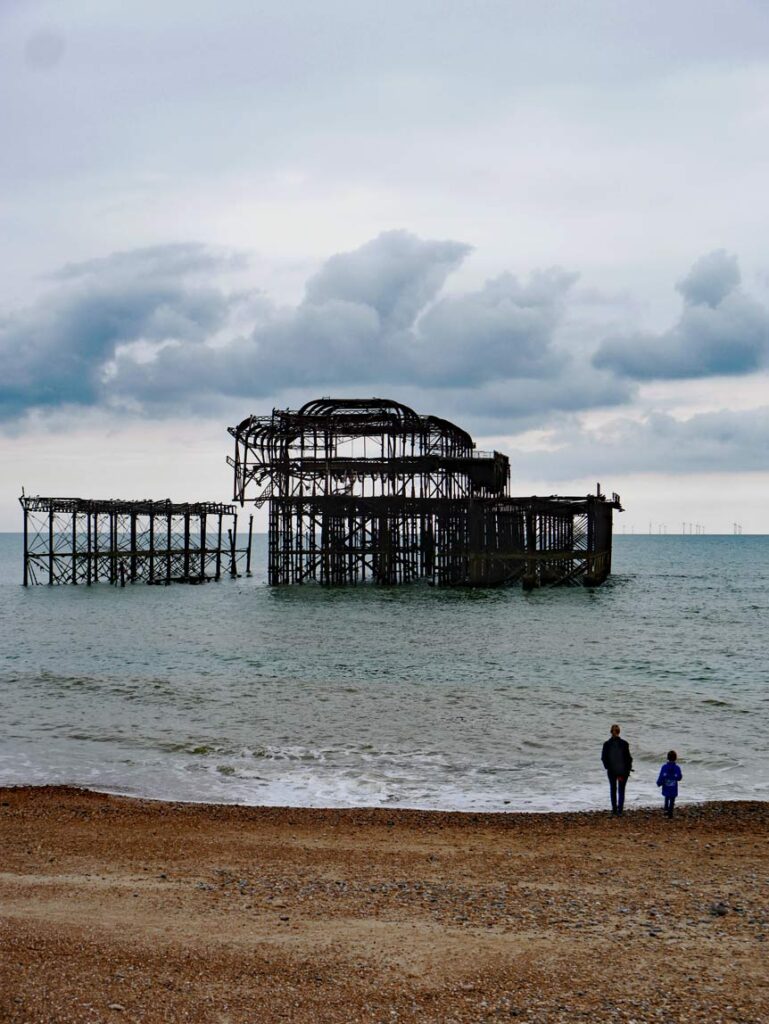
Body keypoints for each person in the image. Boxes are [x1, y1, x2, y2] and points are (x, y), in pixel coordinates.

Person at [601, 723, 633, 815]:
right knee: (621, 790)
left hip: (611, 771)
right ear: (619, 732)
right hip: (623, 771)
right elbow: (628, 758)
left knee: (613, 789)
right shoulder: (625, 744)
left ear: (611, 732)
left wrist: (608, 768)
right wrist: (628, 769)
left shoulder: (607, 744)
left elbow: (603, 758)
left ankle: (614, 810)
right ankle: (620, 811)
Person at [656, 750, 682, 818]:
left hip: (666, 786)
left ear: (667, 758)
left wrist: (659, 783)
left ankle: (666, 810)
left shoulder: (664, 767)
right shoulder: (677, 768)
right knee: (672, 799)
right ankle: (670, 813)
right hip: (673, 787)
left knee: (667, 797)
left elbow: (661, 776)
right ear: (675, 758)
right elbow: (679, 777)